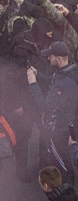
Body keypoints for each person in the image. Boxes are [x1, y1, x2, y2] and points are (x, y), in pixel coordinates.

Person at [28, 42, 78, 186]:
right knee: (63, 158)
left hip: (59, 129)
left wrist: (32, 84)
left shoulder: (64, 83)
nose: (48, 58)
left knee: (62, 160)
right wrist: (39, 76)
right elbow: (52, 82)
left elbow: (46, 106)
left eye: (51, 55)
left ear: (59, 58)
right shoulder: (69, 69)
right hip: (68, 123)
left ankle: (67, 189)